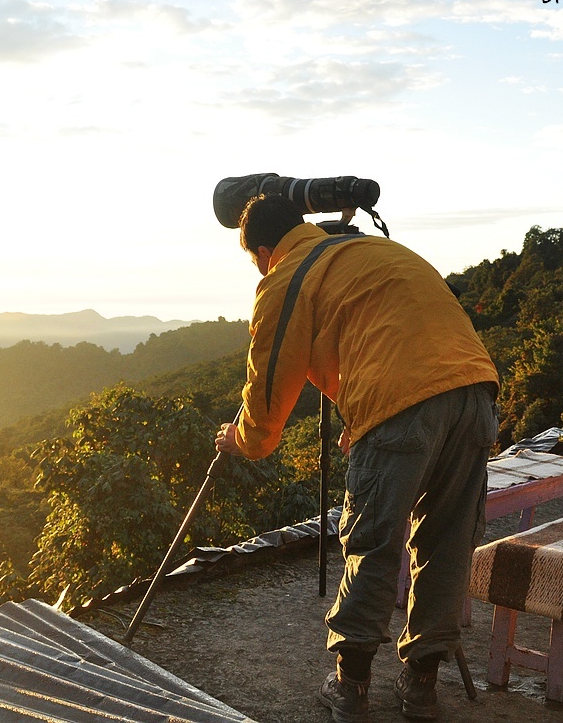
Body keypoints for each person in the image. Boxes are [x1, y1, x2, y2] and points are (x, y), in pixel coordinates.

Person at [214, 194, 499, 722]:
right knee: (448, 540)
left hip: (403, 403)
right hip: (475, 391)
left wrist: (244, 441)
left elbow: (270, 385)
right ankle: (421, 687)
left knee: (372, 540)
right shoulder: (367, 252)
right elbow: (389, 336)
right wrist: (364, 418)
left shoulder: (287, 276)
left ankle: (351, 687)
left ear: (261, 251)